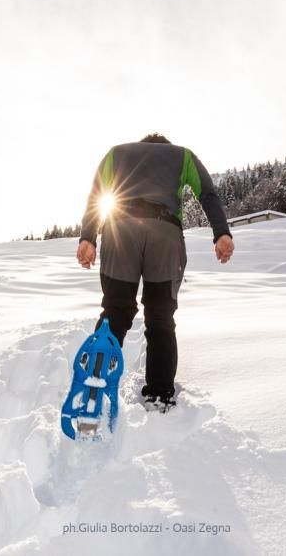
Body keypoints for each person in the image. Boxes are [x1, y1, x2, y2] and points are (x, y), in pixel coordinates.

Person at [76, 133, 235, 412]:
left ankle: (95, 381)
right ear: (165, 145)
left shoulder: (116, 153)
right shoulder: (182, 155)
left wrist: (88, 238)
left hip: (120, 229)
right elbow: (208, 194)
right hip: (165, 233)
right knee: (160, 317)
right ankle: (159, 396)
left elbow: (96, 196)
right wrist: (221, 233)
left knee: (116, 309)